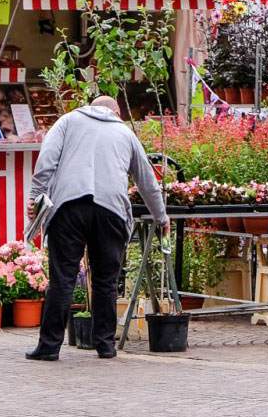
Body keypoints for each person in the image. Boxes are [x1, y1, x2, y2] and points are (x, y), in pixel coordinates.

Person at [25, 96, 169, 361]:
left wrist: (36, 198)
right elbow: (146, 179)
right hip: (110, 210)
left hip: (68, 207)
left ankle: (49, 346)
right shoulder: (124, 132)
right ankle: (105, 345)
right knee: (106, 281)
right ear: (116, 112)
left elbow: (46, 163)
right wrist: (161, 217)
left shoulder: (67, 122)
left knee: (62, 279)